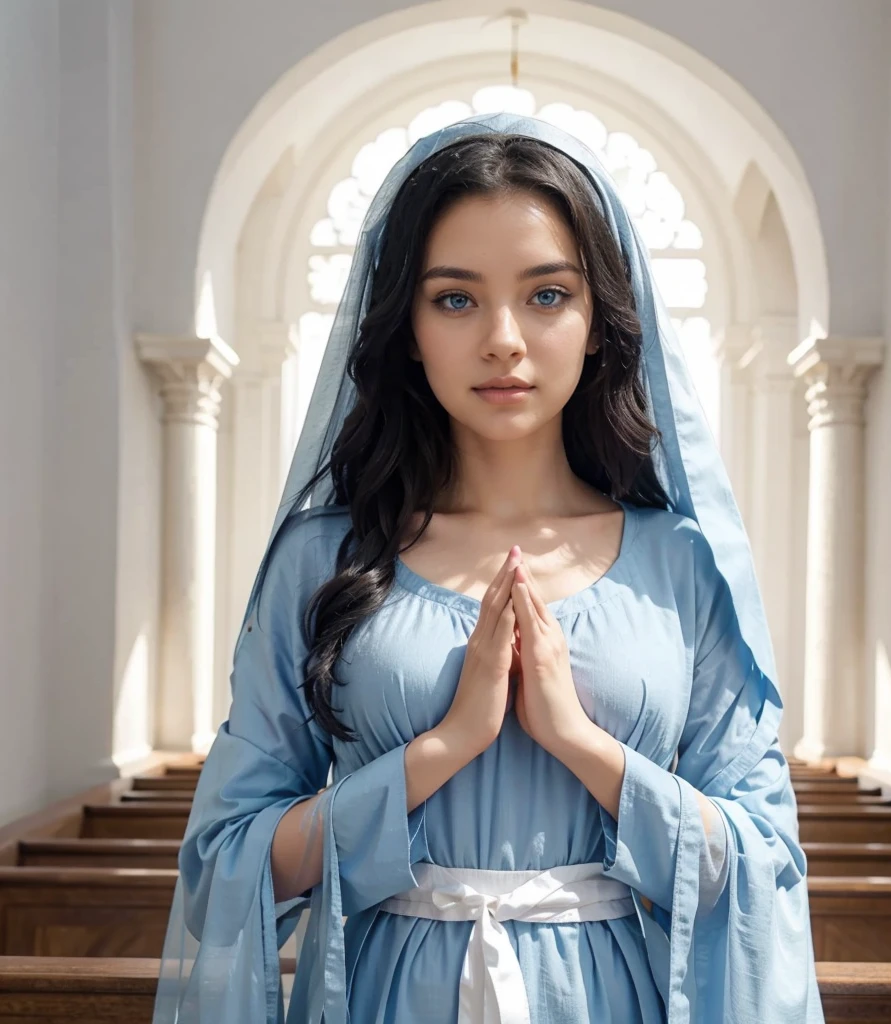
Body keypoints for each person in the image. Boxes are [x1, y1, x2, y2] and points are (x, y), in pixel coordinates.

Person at [152, 112, 823, 1024]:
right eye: (456, 299)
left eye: (547, 295)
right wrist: (441, 748)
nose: (503, 338)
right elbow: (227, 861)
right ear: (408, 328)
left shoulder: (680, 563)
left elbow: (757, 865)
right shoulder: (324, 562)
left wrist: (584, 748)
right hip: (385, 998)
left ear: (598, 323)